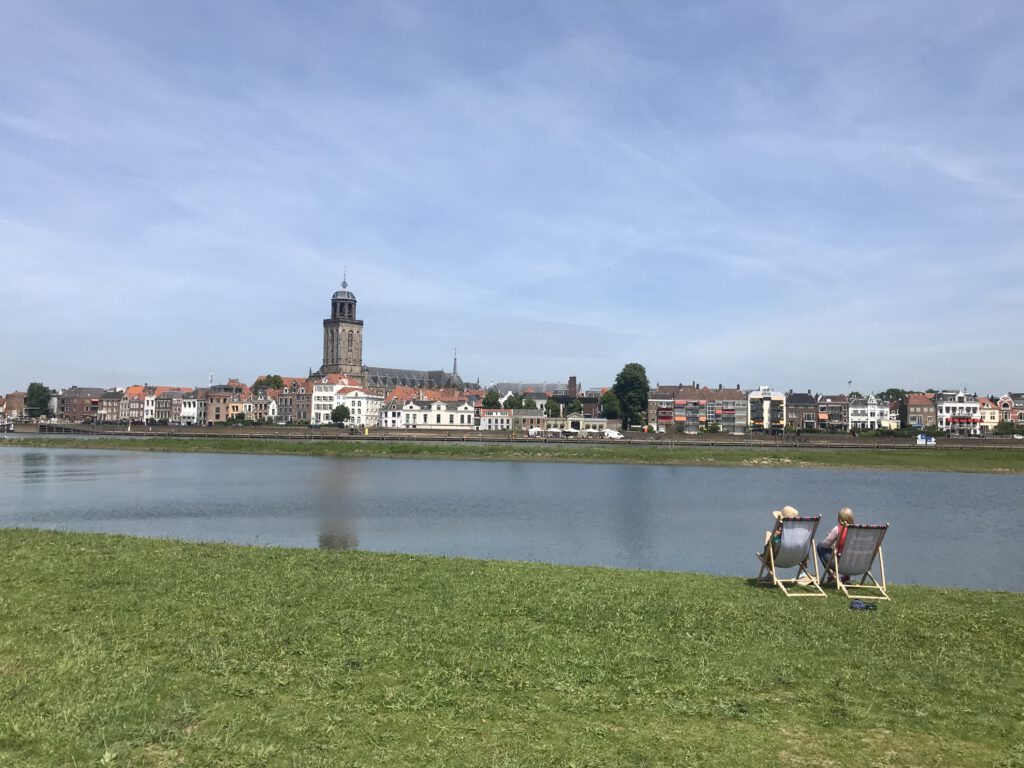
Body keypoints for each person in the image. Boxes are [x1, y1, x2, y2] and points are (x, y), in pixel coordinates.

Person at [818, 507, 855, 583]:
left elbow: (824, 545)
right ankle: (847, 577)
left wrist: (831, 538)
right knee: (848, 554)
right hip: (855, 564)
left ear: (839, 519)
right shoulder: (857, 531)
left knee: (820, 546)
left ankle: (832, 576)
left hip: (840, 565)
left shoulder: (837, 529)